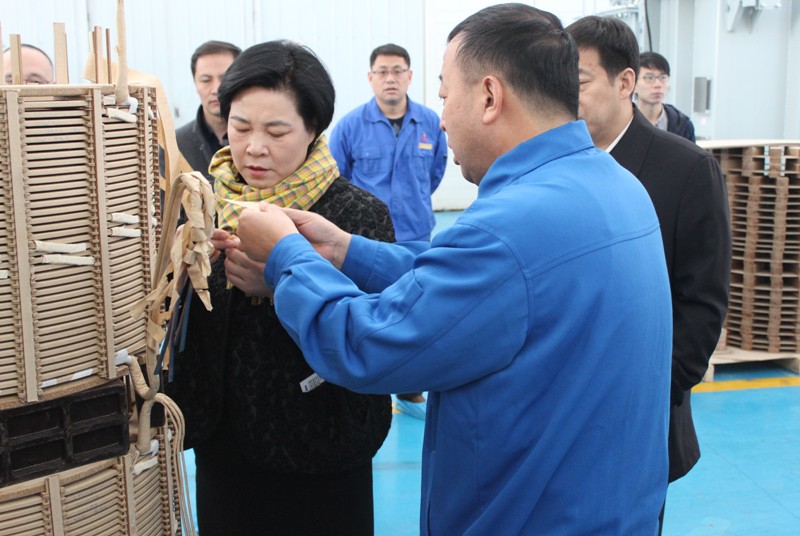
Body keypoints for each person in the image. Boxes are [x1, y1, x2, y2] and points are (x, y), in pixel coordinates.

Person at [233, 4, 672, 534]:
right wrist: (346, 251)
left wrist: (286, 255)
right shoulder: (615, 184)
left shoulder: (510, 227)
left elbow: (364, 345)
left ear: (489, 97)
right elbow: (481, 283)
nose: (439, 119)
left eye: (444, 97)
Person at [165, 41, 393, 535]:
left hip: (323, 445)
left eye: (276, 131)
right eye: (240, 127)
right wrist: (189, 274)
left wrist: (279, 285)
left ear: (313, 129)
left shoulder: (355, 215)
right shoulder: (200, 205)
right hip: (225, 447)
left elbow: (376, 334)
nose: (254, 147)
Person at [566, 16, 731, 533]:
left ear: (625, 82)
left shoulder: (686, 170)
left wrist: (651, 393)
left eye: (579, 80)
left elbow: (702, 302)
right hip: (561, 410)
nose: (566, 94)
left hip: (639, 416)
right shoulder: (556, 164)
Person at [329, 43, 447, 419]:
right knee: (368, 311)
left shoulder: (430, 122)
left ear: (410, 77)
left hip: (415, 236)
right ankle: (366, 393)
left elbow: (436, 171)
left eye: (398, 71)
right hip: (367, 238)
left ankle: (410, 392)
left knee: (416, 313)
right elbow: (337, 180)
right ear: (370, 78)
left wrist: (412, 202)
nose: (390, 78)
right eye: (382, 71)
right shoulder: (350, 126)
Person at [176, 40, 241, 187]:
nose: (216, 89)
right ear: (195, 84)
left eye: (225, 79)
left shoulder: (262, 139)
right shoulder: (175, 146)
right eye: (206, 80)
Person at [635, 51, 696, 142]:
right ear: (633, 83)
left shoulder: (683, 125)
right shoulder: (621, 122)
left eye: (663, 77)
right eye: (649, 78)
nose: (658, 84)